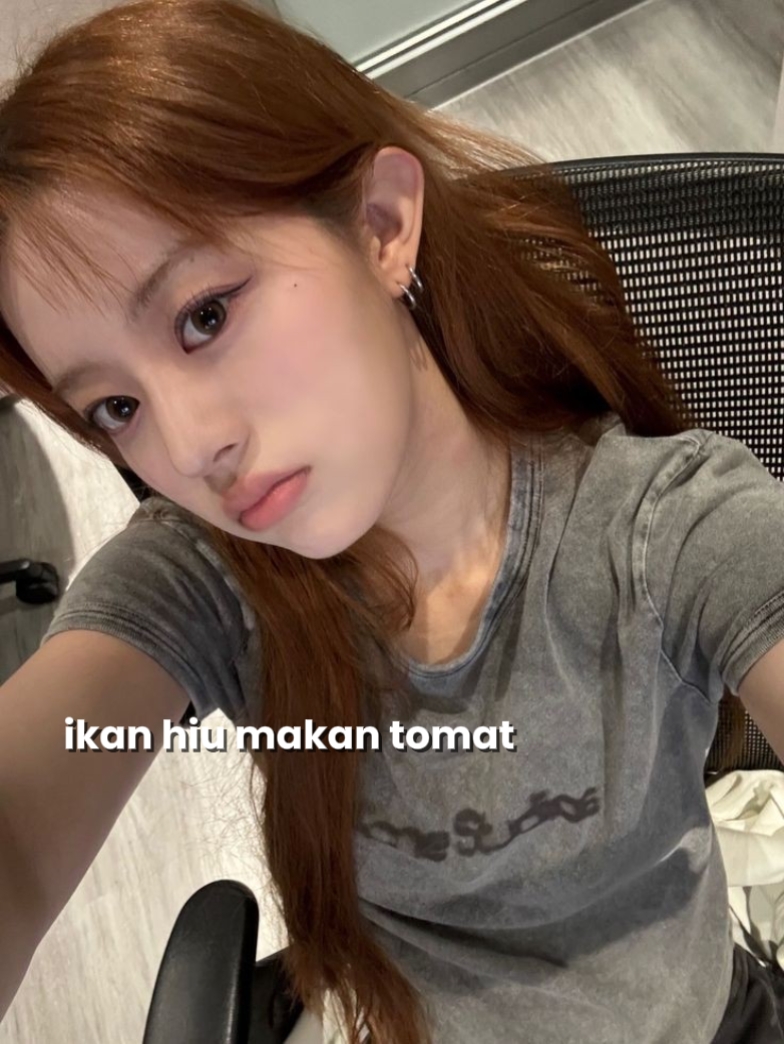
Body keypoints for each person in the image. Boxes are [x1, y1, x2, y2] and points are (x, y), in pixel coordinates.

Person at [1, 0, 784, 1041]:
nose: (187, 449)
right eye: (115, 406)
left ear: (379, 226)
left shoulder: (665, 536)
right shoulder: (204, 587)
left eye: (205, 315)